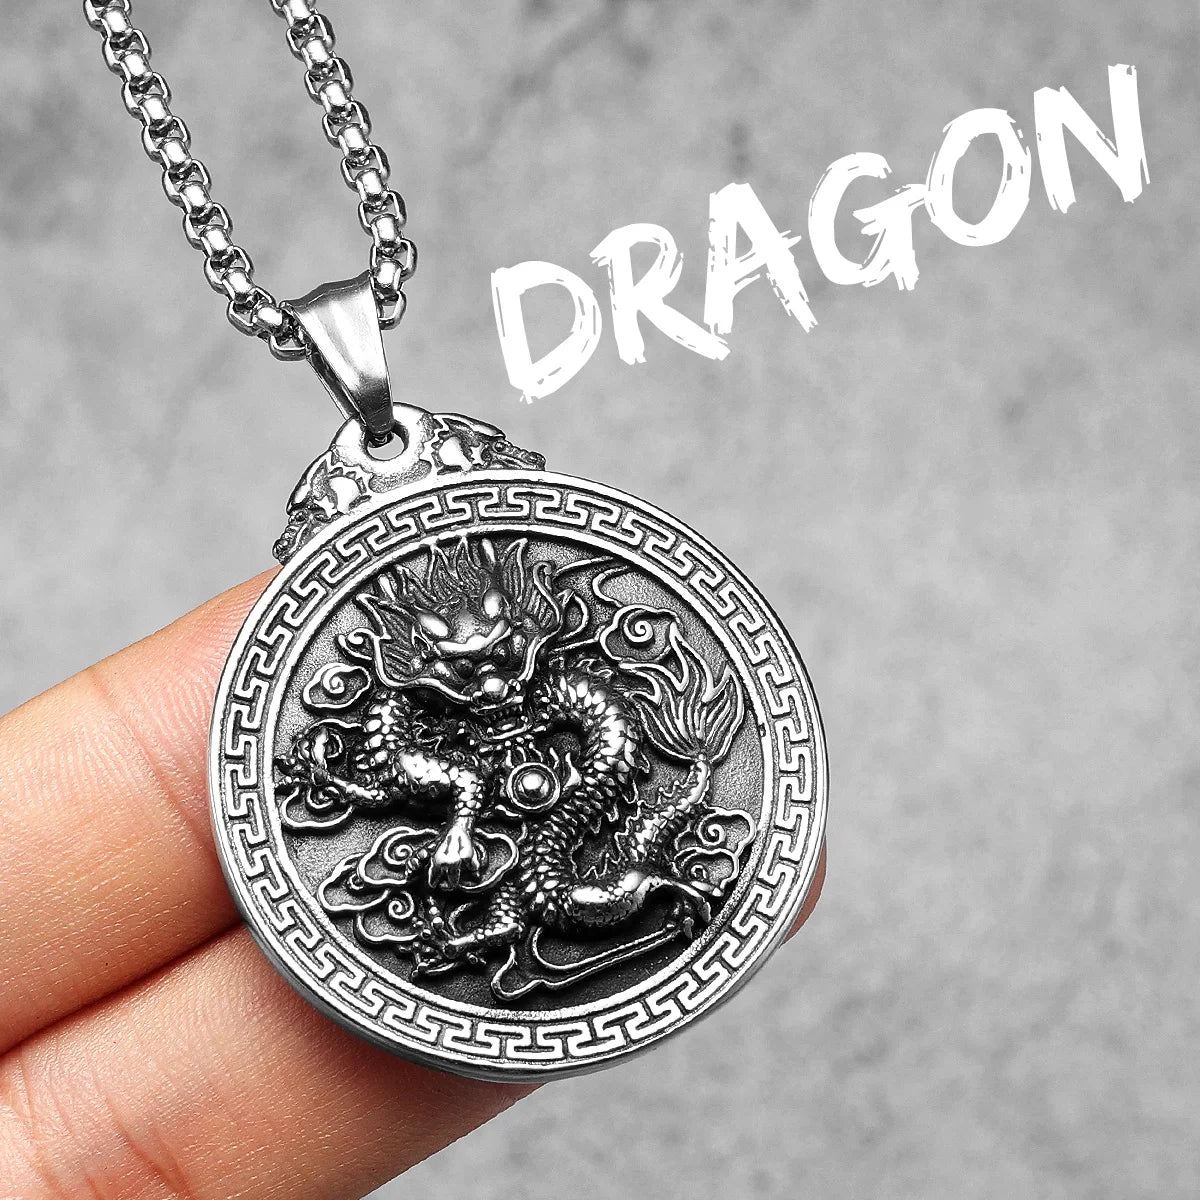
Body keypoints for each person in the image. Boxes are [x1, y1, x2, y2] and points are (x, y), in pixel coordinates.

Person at [0, 573, 824, 1199]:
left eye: (502, 659)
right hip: (500, 849)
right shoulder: (401, 723)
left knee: (558, 896)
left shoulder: (570, 699)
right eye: (465, 671)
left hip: (564, 827)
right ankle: (625, 897)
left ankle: (651, 891)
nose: (492, 685)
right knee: (544, 897)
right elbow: (427, 777)